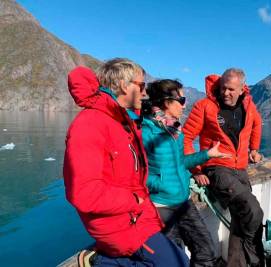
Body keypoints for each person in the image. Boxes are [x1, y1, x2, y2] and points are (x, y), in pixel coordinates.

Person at [63, 58, 189, 267]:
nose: (144, 92)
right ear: (123, 85)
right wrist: (133, 200)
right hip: (118, 224)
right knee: (178, 264)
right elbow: (84, 192)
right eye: (141, 86)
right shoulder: (90, 125)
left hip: (135, 217)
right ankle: (103, 263)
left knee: (178, 259)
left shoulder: (122, 122)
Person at [141, 79, 230, 267]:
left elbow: (181, 163)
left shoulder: (175, 131)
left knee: (206, 250)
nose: (185, 105)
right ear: (166, 102)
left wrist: (207, 154)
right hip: (161, 206)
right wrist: (161, 185)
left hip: (183, 201)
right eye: (181, 100)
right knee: (175, 257)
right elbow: (137, 172)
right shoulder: (145, 132)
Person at [183, 68, 264, 267]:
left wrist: (254, 149)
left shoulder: (248, 105)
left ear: (241, 89)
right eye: (222, 88)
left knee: (240, 218)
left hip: (240, 169)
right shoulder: (204, 106)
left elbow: (257, 124)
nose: (225, 93)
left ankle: (235, 264)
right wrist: (197, 169)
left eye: (230, 90)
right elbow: (185, 138)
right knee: (253, 211)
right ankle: (256, 261)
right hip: (216, 168)